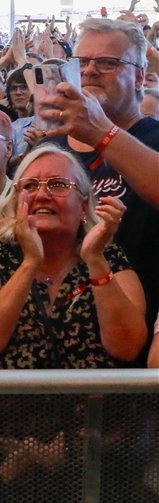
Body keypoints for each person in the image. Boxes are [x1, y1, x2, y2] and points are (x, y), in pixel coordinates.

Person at [0, 145, 147, 368]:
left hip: (97, 402)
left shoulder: (109, 258)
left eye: (58, 185)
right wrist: (30, 263)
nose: (42, 195)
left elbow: (127, 348)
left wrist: (95, 259)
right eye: (30, 186)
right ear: (16, 204)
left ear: (84, 207)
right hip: (3, 402)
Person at [43, 17, 159, 331]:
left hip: (133, 326)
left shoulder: (154, 138)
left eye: (108, 62)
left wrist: (101, 134)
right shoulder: (50, 146)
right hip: (52, 326)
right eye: (81, 61)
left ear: (139, 77)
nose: (89, 70)